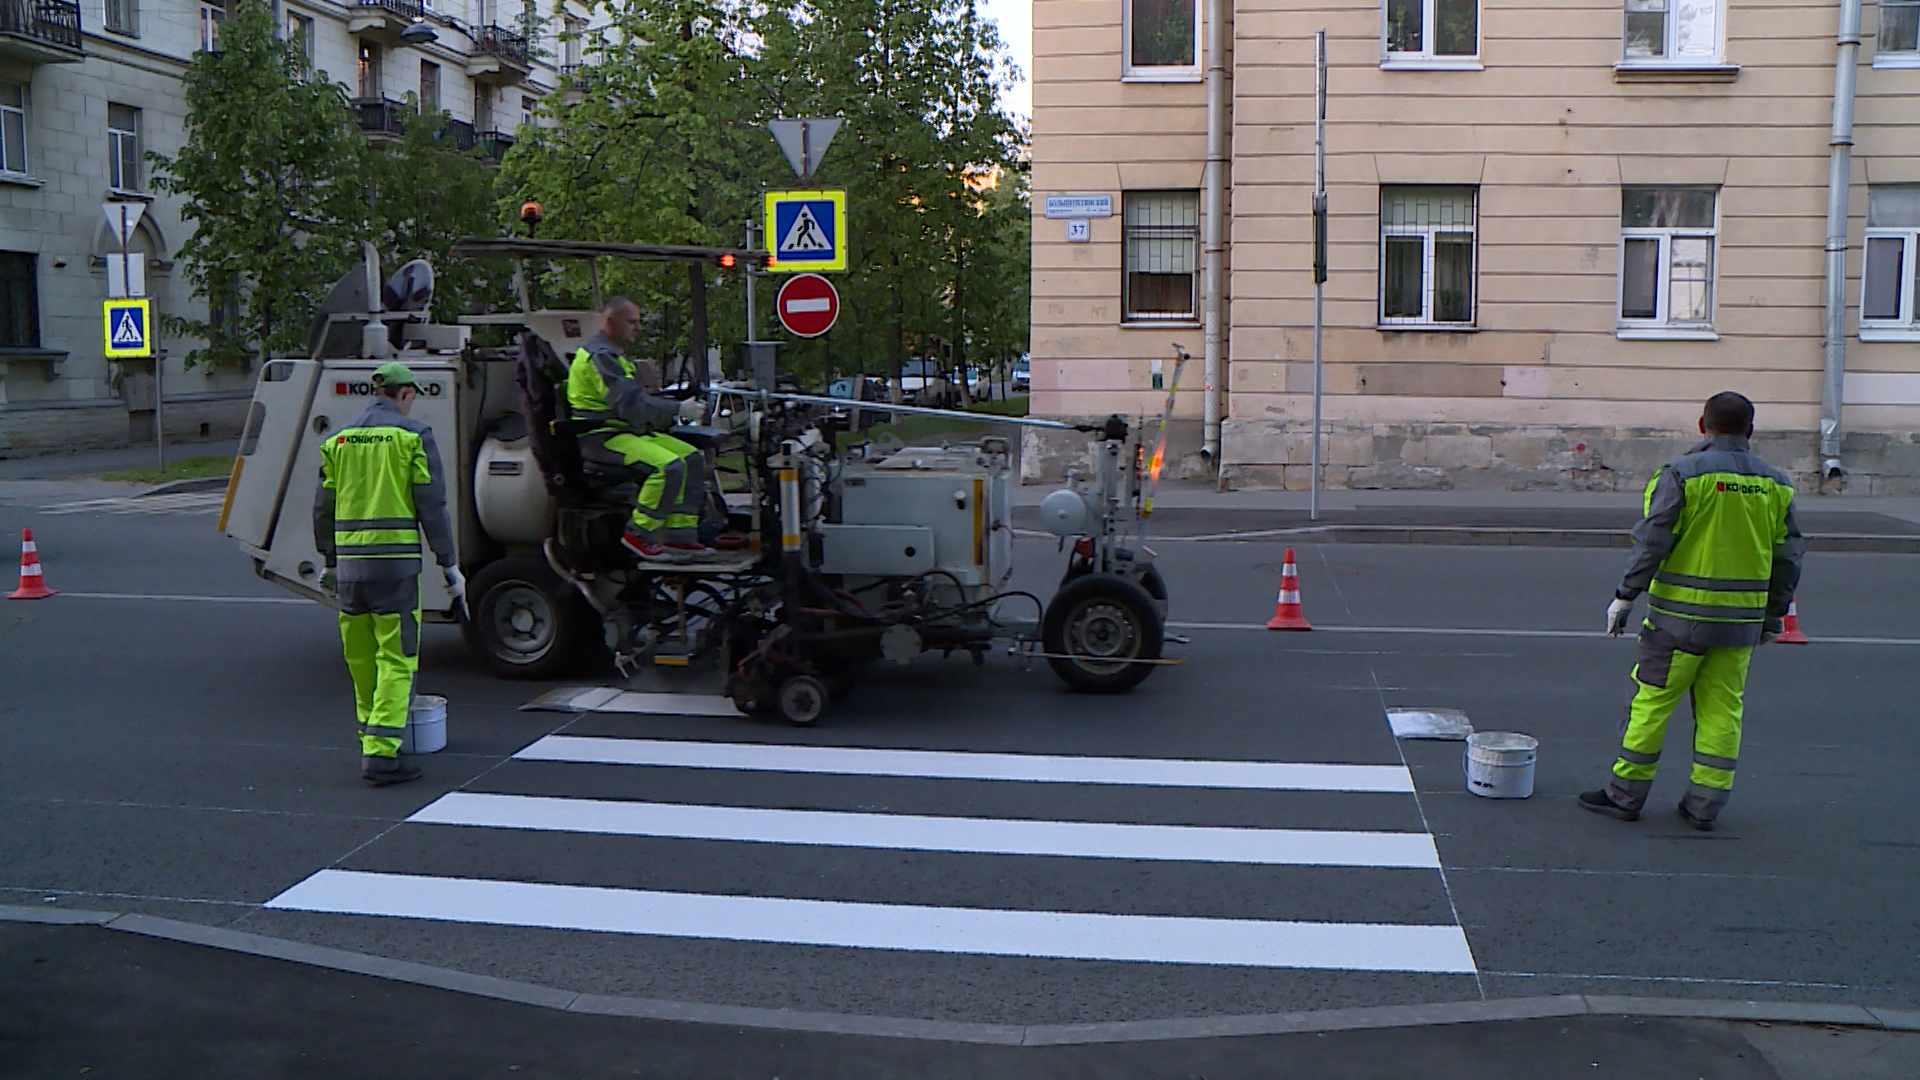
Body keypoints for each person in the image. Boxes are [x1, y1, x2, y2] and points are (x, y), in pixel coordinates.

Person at [1580, 391, 1803, 831]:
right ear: (1750, 431)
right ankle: (1703, 805)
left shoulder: (1682, 473)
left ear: (1703, 426)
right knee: (1723, 711)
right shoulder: (1776, 483)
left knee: (1652, 704)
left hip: (1677, 623)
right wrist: (1775, 615)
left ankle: (1624, 795)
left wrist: (1626, 595)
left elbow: (1654, 540)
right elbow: (1788, 557)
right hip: (1740, 624)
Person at [313, 362, 463, 788]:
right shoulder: (413, 436)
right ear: (405, 394)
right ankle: (380, 755)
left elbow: (323, 508)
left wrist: (328, 559)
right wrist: (449, 564)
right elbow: (431, 507)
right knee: (397, 659)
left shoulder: (338, 440)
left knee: (360, 658)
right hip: (395, 571)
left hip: (349, 572)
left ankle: (370, 737)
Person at [566, 296, 711, 561]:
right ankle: (639, 534)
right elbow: (630, 405)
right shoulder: (601, 357)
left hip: (623, 433)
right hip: (602, 438)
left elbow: (636, 401)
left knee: (691, 458)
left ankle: (680, 538)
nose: (638, 328)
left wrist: (670, 407)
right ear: (611, 322)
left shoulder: (612, 355)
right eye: (632, 322)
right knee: (668, 466)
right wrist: (678, 410)